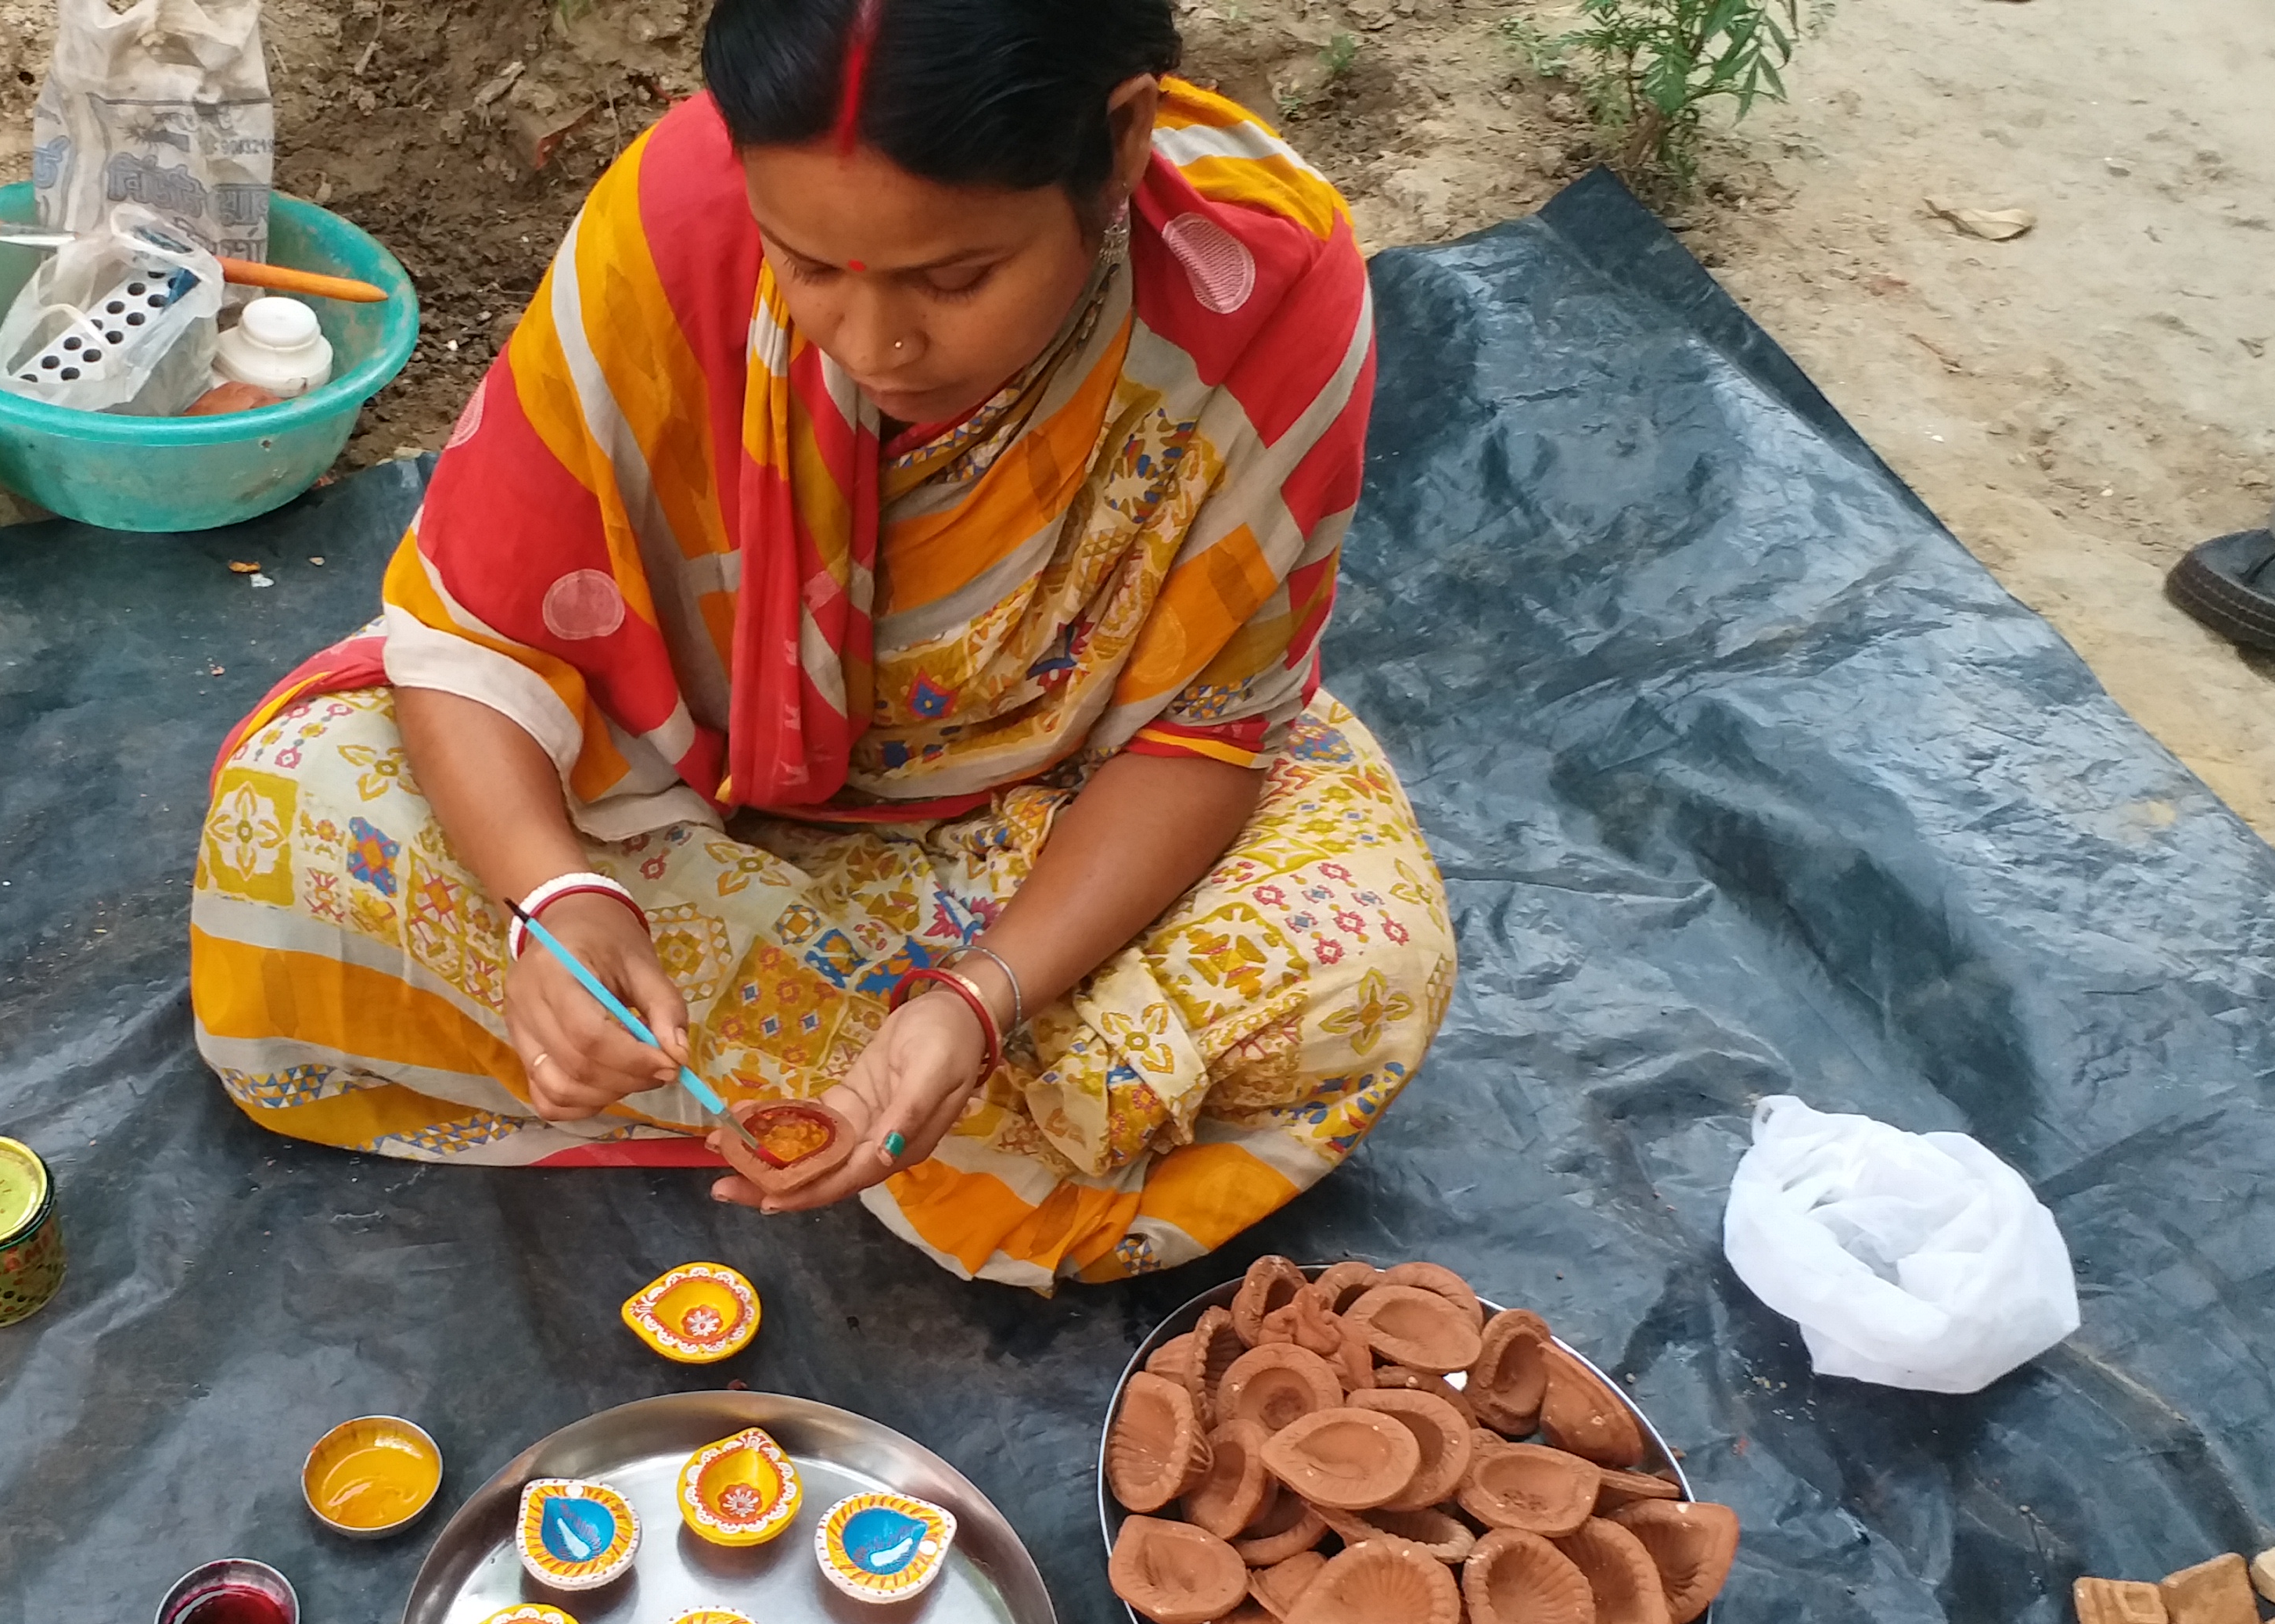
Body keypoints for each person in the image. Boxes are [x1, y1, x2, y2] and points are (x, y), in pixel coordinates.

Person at [189, 0, 1454, 1287]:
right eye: (803, 264)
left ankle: (829, 1087)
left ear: (1120, 139)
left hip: (1053, 821)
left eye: (954, 279)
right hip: (661, 804)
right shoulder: (679, 215)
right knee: (299, 814)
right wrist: (557, 907)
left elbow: (1206, 731)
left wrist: (981, 1001)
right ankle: (931, 1122)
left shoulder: (1263, 283)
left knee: (1367, 967)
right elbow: (475, 632)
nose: (871, 345)